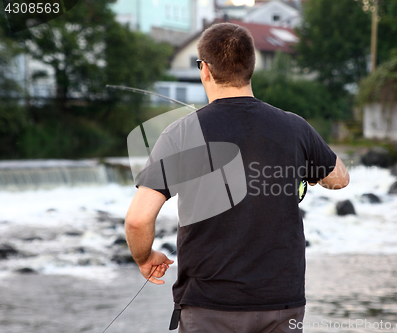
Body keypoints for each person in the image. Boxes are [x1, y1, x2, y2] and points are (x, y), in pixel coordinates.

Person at [125, 22, 349, 333]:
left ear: (205, 69)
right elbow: (339, 178)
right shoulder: (295, 127)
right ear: (250, 68)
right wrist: (311, 173)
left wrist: (144, 256)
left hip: (209, 306)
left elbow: (138, 220)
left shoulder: (180, 133)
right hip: (282, 304)